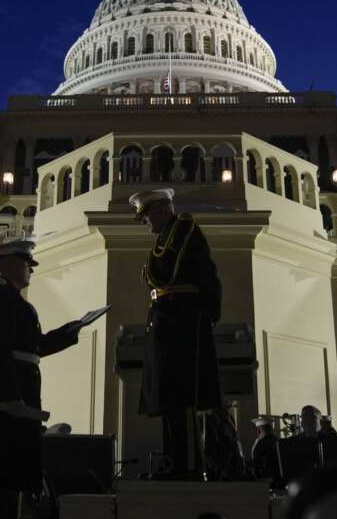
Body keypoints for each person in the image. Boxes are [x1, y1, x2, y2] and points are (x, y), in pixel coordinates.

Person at [0, 237, 83, 518]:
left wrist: (70, 331)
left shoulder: (13, 301)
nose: (31, 269)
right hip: (4, 394)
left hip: (19, 388)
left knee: (14, 472)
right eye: (27, 263)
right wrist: (10, 397)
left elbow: (33, 346)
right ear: (7, 264)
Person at [129, 188, 222, 479]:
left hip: (181, 319)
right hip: (170, 320)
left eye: (146, 216)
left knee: (182, 397)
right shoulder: (167, 235)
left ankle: (189, 465)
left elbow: (162, 272)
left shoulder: (181, 227)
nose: (146, 223)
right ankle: (175, 460)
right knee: (170, 398)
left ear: (161, 209)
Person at [251, 415, 282, 483]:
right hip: (279, 480)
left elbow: (257, 464)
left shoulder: (260, 443)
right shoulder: (279, 441)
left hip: (264, 480)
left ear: (259, 431)